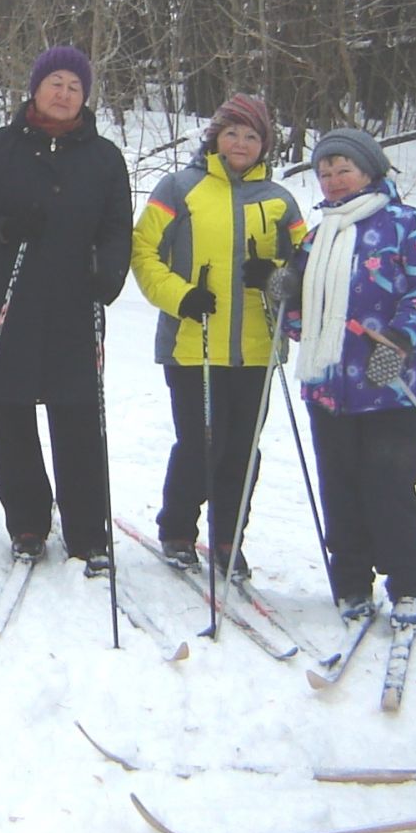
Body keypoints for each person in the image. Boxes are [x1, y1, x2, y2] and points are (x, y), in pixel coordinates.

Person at [0, 46, 131, 572]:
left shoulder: (104, 157)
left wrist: (108, 271)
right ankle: (27, 522)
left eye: (75, 86)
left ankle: (88, 532)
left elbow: (119, 227)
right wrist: (0, 229)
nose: (64, 93)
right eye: (56, 83)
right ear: (35, 88)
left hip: (74, 302)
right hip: (5, 298)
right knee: (10, 416)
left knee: (76, 417)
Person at [276, 128, 416, 629]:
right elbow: (300, 318)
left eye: (343, 170)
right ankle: (351, 582)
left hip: (392, 386)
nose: (333, 181)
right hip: (329, 388)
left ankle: (407, 585)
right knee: (340, 487)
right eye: (325, 173)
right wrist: (284, 295)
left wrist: (400, 340)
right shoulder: (318, 236)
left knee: (390, 485)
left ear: (370, 170)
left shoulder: (407, 226)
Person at [130, 94, 304, 576]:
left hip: (257, 348)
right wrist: (180, 296)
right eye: (232, 133)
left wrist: (274, 276)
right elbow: (144, 251)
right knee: (202, 443)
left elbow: (302, 268)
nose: (240, 143)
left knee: (243, 449)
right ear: (215, 137)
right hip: (193, 343)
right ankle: (178, 529)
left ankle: (228, 541)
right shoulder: (179, 188)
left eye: (251, 135)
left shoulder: (279, 200)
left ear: (265, 143)